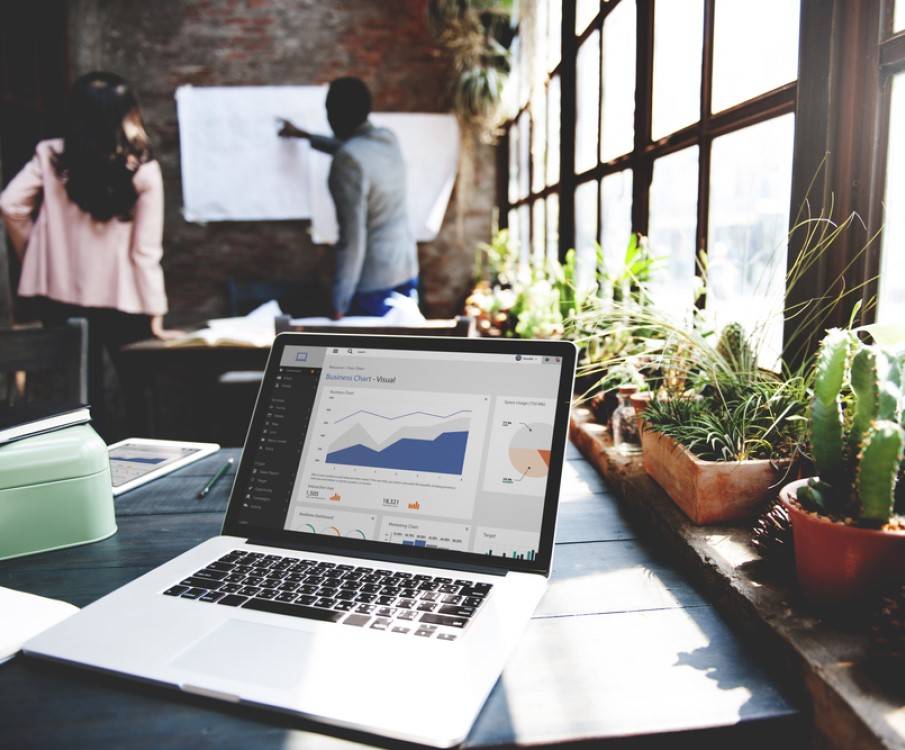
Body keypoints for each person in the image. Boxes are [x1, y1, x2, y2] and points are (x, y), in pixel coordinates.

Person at [0, 71, 180, 436]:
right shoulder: (142, 168)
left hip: (59, 294)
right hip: (123, 297)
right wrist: (156, 311)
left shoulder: (50, 156)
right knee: (137, 392)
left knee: (78, 393)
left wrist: (35, 254)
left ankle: (88, 467)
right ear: (126, 114)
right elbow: (145, 251)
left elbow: (10, 206)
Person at [278, 77, 419, 319]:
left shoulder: (348, 161)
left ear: (335, 115)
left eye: (328, 112)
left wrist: (340, 301)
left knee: (367, 355)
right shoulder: (387, 139)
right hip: (405, 268)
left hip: (372, 283)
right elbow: (352, 149)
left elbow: (352, 239)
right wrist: (305, 136)